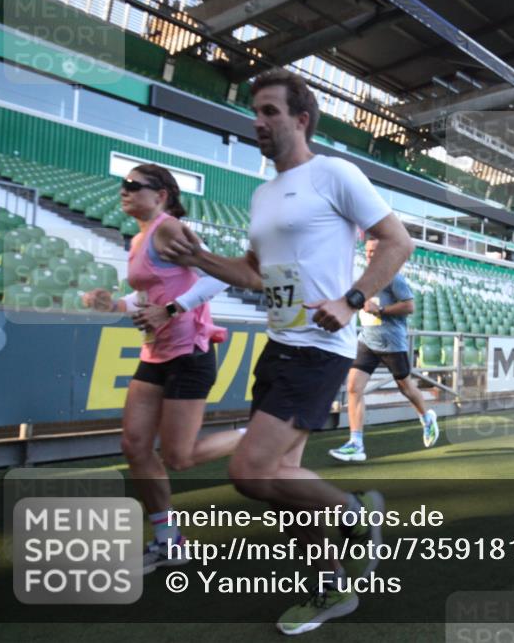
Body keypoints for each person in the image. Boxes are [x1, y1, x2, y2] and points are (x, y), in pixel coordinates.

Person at [161, 68, 414, 635]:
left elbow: (399, 241)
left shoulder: (334, 173)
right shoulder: (262, 194)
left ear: (301, 120)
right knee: (283, 476)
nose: (259, 122)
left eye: (271, 111)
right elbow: (253, 274)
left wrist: (353, 300)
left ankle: (353, 512)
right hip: (279, 347)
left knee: (250, 471)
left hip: (321, 348)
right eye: (256, 112)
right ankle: (329, 590)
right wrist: (199, 258)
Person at [82, 163, 242, 574]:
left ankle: (252, 436)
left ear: (162, 195)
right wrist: (113, 304)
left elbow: (220, 277)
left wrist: (171, 310)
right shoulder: (139, 238)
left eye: (134, 185)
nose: (125, 190)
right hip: (155, 353)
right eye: (123, 184)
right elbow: (148, 296)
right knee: (134, 447)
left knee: (179, 457)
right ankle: (168, 541)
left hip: (190, 351)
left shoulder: (169, 228)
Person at [329, 238, 437, 463]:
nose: (369, 255)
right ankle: (356, 443)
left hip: (392, 343)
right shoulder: (363, 277)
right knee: (353, 387)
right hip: (367, 340)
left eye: (374, 251)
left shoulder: (393, 276)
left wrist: (381, 310)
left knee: (406, 387)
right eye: (367, 251)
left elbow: (410, 305)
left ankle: (427, 418)